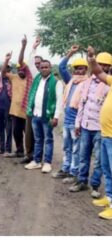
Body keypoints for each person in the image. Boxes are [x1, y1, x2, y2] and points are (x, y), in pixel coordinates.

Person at [69, 52, 111, 196]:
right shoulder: (86, 82)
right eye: (101, 64)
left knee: (99, 159)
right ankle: (82, 181)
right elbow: (82, 104)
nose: (104, 67)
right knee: (83, 156)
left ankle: (95, 185)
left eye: (107, 65)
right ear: (95, 65)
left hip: (100, 128)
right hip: (86, 126)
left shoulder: (109, 83)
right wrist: (77, 123)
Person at [52, 45, 89, 185]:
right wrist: (71, 52)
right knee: (66, 147)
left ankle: (74, 173)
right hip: (67, 121)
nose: (79, 70)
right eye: (77, 68)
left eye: (82, 68)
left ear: (86, 70)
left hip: (77, 122)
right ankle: (66, 168)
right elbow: (62, 67)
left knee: (76, 149)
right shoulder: (71, 80)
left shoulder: (87, 82)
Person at [24, 59, 63, 173]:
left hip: (48, 116)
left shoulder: (56, 82)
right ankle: (36, 161)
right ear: (39, 69)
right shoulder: (37, 79)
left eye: (47, 67)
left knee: (48, 140)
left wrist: (56, 117)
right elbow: (30, 63)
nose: (44, 69)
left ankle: (47, 163)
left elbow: (59, 100)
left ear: (50, 68)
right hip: (35, 115)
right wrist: (34, 47)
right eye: (42, 67)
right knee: (38, 140)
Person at [87, 46, 112, 220]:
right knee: (107, 170)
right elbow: (97, 72)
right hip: (105, 134)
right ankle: (109, 198)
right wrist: (91, 58)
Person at [1, 36, 33, 159]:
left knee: (29, 134)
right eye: (18, 68)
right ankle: (19, 151)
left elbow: (20, 59)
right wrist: (6, 60)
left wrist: (23, 46)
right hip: (15, 110)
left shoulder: (29, 79)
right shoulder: (14, 77)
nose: (20, 70)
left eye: (22, 68)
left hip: (26, 111)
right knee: (16, 132)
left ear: (25, 69)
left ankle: (30, 153)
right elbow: (3, 72)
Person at [21, 36, 42, 164]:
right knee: (29, 132)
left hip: (42, 109)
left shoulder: (49, 79)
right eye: (36, 64)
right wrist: (33, 48)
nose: (38, 65)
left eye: (40, 64)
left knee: (40, 134)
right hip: (31, 107)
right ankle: (29, 155)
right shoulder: (34, 74)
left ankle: (39, 156)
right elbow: (29, 61)